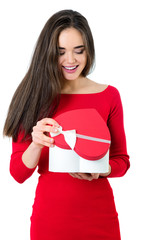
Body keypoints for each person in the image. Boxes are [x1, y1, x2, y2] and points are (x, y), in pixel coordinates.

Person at [3, 9, 130, 240]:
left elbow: (122, 160)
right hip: (51, 221)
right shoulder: (32, 95)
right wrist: (36, 143)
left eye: (78, 51)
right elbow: (18, 173)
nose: (70, 60)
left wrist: (103, 170)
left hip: (100, 219)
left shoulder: (109, 96)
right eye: (60, 52)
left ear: (88, 50)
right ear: (48, 53)